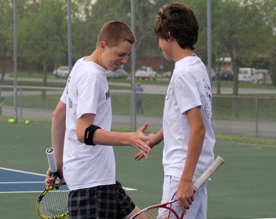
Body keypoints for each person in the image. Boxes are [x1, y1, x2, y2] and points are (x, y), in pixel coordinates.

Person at [44, 21, 151, 219]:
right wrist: (129, 138)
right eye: (120, 54)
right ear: (103, 45)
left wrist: (59, 164)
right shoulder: (92, 76)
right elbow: (83, 132)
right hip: (91, 186)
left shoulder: (81, 65)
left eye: (128, 55)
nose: (125, 60)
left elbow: (58, 114)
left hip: (102, 180)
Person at [135, 3, 215, 219]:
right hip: (197, 170)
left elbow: (197, 128)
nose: (160, 45)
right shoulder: (197, 67)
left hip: (182, 172)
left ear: (169, 36)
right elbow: (184, 119)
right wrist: (157, 137)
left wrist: (185, 180)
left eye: (160, 39)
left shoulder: (183, 73)